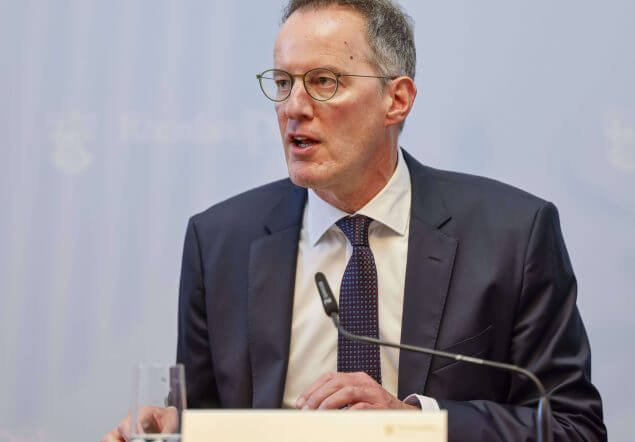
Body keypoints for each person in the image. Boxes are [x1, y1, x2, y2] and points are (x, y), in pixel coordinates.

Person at [102, 0, 606, 441]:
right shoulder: (220, 241)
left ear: (396, 99)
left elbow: (572, 427)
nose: (294, 108)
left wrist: (415, 424)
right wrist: (173, 430)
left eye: (323, 82)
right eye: (283, 83)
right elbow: (205, 419)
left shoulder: (512, 234)